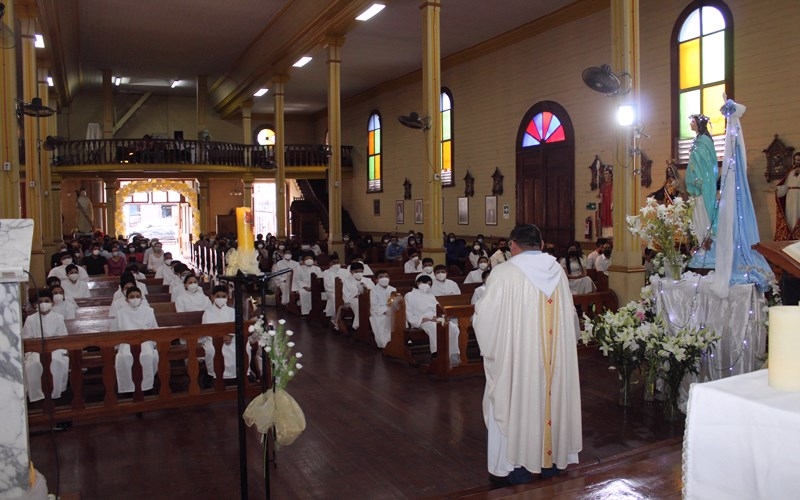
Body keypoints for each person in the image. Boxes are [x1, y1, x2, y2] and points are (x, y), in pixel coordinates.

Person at [473, 224, 582, 486]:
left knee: (516, 403)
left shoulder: (504, 273)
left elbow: (486, 319)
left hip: (519, 363)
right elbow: (569, 318)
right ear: (542, 244)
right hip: (554, 362)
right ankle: (550, 463)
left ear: (512, 245)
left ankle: (515, 469)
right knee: (551, 402)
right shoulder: (558, 271)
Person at [22, 289, 70, 402]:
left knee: (57, 362)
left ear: (52, 302)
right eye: (40, 301)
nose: (43, 304)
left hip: (55, 350)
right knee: (32, 365)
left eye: (46, 301)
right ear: (35, 305)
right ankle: (37, 395)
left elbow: (62, 338)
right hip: (35, 350)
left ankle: (55, 393)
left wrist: (55, 348)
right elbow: (27, 338)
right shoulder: (30, 319)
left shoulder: (58, 318)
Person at [685, 113, 719, 270]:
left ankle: (708, 247)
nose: (690, 124)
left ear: (699, 123)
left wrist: (699, 178)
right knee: (697, 217)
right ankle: (701, 246)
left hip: (703, 186)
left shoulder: (705, 141)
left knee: (704, 215)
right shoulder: (697, 140)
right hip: (695, 188)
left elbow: (707, 163)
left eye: (692, 122)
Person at [110, 287, 159, 393]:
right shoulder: (120, 313)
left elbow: (154, 329)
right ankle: (129, 387)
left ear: (141, 298)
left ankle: (146, 386)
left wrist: (154, 343)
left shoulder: (149, 311)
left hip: (145, 342)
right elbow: (115, 331)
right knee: (124, 357)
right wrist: (117, 347)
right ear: (127, 299)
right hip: (126, 342)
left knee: (148, 355)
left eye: (137, 296)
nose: (135, 299)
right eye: (132, 297)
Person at [403, 275, 460, 366]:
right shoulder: (409, 295)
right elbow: (408, 313)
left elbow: (438, 308)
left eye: (429, 284)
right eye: (425, 283)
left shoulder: (430, 295)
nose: (427, 285)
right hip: (422, 320)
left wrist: (440, 317)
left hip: (435, 318)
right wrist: (424, 319)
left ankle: (453, 354)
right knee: (434, 328)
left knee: (453, 327)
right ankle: (436, 355)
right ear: (418, 283)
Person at [201, 285, 242, 381]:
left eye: (223, 296)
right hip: (213, 340)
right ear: (212, 297)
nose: (221, 299)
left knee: (240, 347)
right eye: (218, 296)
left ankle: (237, 375)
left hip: (230, 338)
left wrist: (230, 336)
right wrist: (220, 337)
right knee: (211, 351)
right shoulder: (207, 312)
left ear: (227, 297)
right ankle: (214, 376)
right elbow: (207, 329)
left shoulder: (232, 311)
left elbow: (235, 326)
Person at [335, 262, 373, 331]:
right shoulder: (347, 281)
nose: (359, 273)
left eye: (361, 271)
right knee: (358, 305)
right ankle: (358, 326)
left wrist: (366, 290)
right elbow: (346, 294)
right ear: (351, 271)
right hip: (353, 300)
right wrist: (356, 295)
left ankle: (371, 324)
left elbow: (373, 291)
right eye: (356, 271)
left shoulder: (368, 280)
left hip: (368, 299)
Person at [774, 152, 800, 240]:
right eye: (796, 160)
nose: (797, 162)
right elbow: (786, 186)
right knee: (790, 216)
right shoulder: (791, 171)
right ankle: (791, 236)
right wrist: (778, 189)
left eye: (799, 160)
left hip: (798, 197)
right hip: (790, 197)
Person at [369, 270, 396, 348]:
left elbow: (392, 302)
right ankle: (386, 343)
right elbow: (374, 306)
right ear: (376, 280)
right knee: (384, 320)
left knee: (400, 317)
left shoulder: (392, 289)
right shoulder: (374, 290)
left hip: (390, 310)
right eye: (381, 277)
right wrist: (385, 311)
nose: (384, 278)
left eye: (386, 276)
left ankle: (399, 340)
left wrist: (392, 307)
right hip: (379, 312)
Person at [598, 167, 613, 237]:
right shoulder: (603, 186)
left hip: (611, 206)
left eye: (607, 173)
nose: (605, 175)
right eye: (604, 174)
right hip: (605, 207)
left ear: (610, 174)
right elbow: (600, 198)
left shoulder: (614, 185)